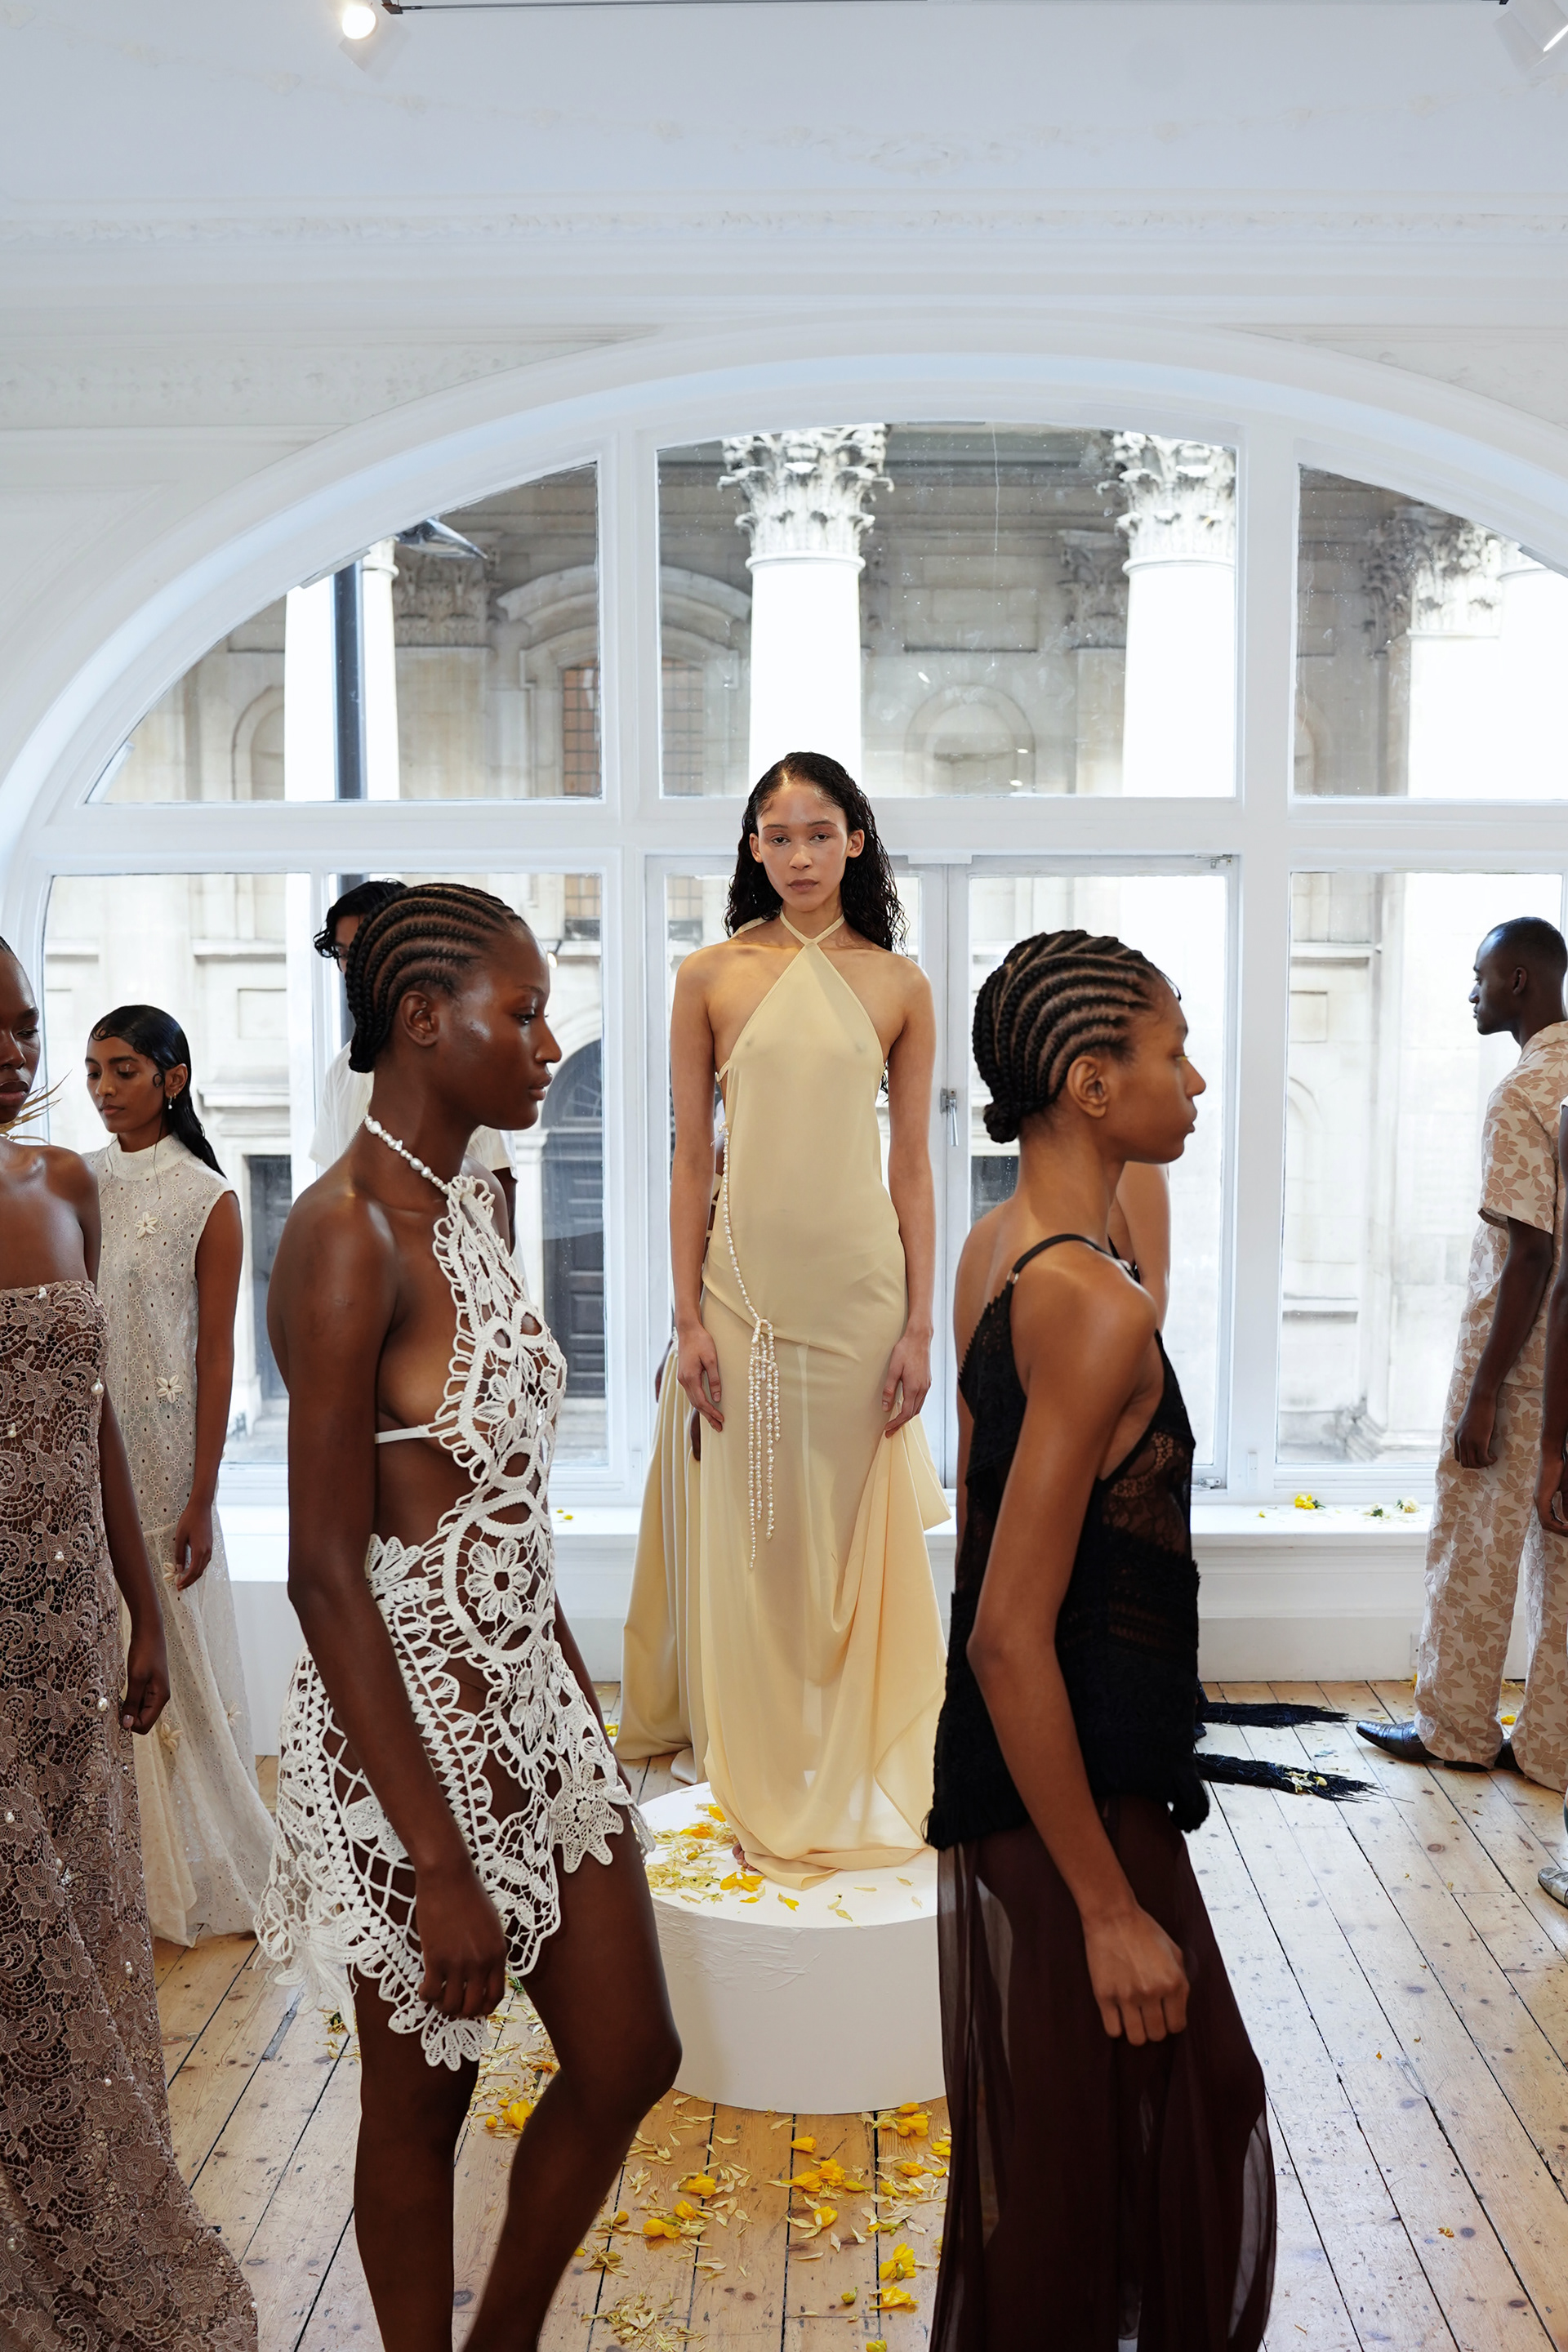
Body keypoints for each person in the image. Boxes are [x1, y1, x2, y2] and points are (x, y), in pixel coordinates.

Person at [258, 883, 678, 2352]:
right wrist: (437, 1860)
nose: (552, 1043)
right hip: (408, 1739)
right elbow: (323, 1570)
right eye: (527, 1012)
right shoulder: (341, 1234)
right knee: (420, 2105)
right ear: (424, 1020)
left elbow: (503, 1506)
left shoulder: (477, 1205)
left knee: (630, 2056)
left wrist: (580, 1724)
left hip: (534, 1709)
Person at [927, 928, 1273, 2352]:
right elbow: (1006, 1633)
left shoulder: (999, 1249)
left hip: (1049, 1772)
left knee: (1097, 2155)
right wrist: (1109, 1906)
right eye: (1172, 1051)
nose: (1195, 1081)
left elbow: (981, 1533)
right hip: (1073, 1785)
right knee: (1143, 2147)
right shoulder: (1093, 1301)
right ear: (1088, 1080)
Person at [623, 751, 948, 1884]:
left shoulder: (900, 985)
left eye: (819, 833)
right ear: (752, 848)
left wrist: (921, 1327)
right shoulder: (708, 975)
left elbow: (913, 1169)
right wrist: (686, 1318)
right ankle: (758, 1773)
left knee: (850, 1538)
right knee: (755, 1535)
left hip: (863, 1297)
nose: (799, 855)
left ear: (855, 841)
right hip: (740, 1299)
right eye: (778, 835)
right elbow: (690, 1162)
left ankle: (853, 1763)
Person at [0, 938, 256, 2350]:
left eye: (25, 1025)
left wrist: (140, 1603)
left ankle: (97, 2205)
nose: (19, 1054)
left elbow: (97, 1397)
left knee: (87, 1920)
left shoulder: (61, 1187)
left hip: (71, 1617)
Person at [1360, 917, 1568, 1791]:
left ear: (1519, 981)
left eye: (1481, 977)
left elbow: (1532, 1254)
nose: (1471, 993)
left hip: (1520, 1365)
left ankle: (1453, 1731)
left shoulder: (1523, 1093)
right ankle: (1554, 1748)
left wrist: (1485, 1393)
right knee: (1563, 1551)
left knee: (1474, 1542)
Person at [84, 1004, 274, 1944]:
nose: (105, 1089)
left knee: (175, 1656)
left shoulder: (209, 1197)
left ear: (173, 1078)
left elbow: (216, 1354)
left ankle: (196, 1867)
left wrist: (203, 1493)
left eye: (123, 1070)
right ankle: (123, 1866)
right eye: (94, 1072)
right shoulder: (74, 1183)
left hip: (163, 1457)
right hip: (87, 1443)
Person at [310, 878, 519, 1244]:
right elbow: (331, 1195)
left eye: (369, 950)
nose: (354, 968)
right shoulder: (340, 1071)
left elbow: (501, 1214)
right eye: (345, 954)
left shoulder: (460, 1059)